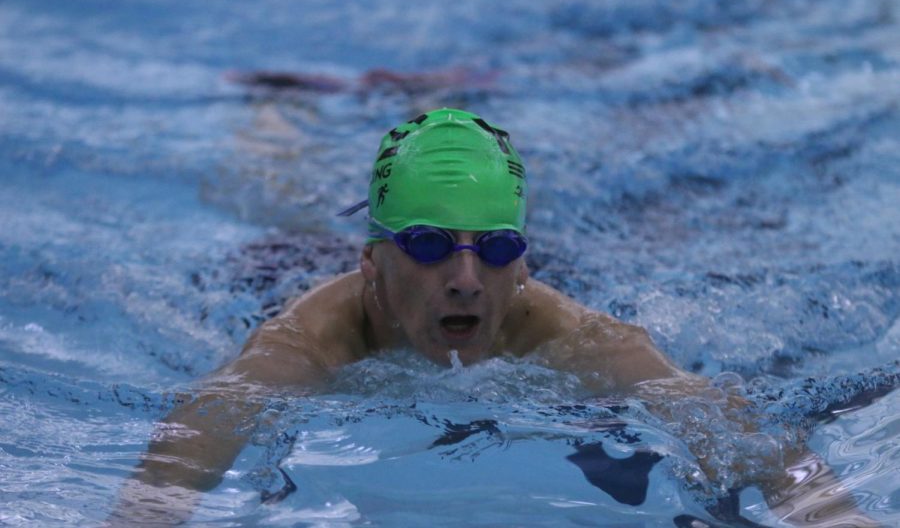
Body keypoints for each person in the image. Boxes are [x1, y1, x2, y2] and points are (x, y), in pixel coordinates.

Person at [111, 108, 881, 526]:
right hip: (275, 266)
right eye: (429, 245)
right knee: (269, 191)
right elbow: (191, 439)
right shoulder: (309, 339)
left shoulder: (576, 336)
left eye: (498, 247)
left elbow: (744, 433)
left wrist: (832, 517)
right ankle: (276, 104)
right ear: (372, 263)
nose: (467, 280)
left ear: (524, 264)